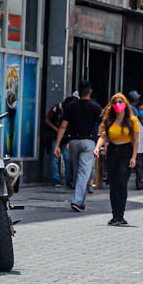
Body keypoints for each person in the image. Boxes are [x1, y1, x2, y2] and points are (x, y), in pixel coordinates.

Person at [53, 82, 100, 212]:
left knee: (77, 170)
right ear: (90, 91)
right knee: (83, 172)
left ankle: (81, 201)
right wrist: (102, 142)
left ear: (78, 92)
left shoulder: (70, 106)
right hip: (88, 141)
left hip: (73, 142)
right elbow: (102, 125)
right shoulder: (95, 107)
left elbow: (63, 126)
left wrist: (57, 145)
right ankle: (77, 201)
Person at [95, 93, 139, 226]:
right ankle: (115, 215)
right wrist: (97, 147)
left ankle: (121, 215)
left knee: (121, 182)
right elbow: (103, 136)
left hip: (126, 151)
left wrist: (134, 157)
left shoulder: (132, 120)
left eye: (120, 102)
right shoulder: (109, 120)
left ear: (125, 104)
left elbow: (136, 140)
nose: (118, 104)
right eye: (115, 102)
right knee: (113, 184)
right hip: (113, 151)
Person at [43, 96, 64, 186]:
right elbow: (47, 119)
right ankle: (56, 179)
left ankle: (68, 179)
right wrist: (56, 129)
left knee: (67, 157)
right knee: (55, 158)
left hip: (64, 137)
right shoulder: (56, 108)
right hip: (55, 135)